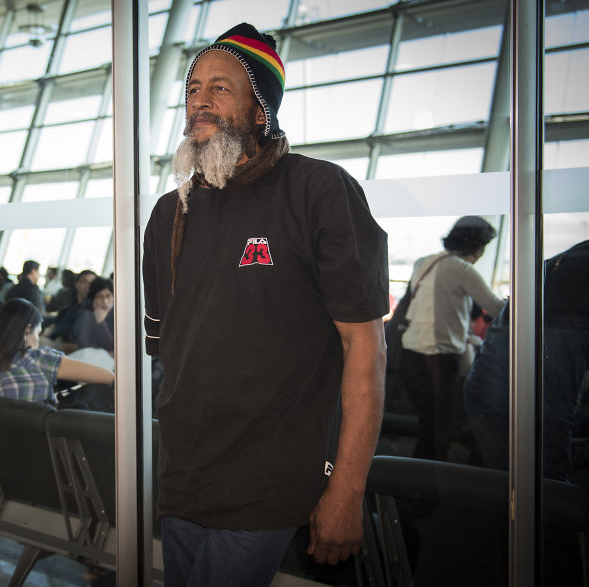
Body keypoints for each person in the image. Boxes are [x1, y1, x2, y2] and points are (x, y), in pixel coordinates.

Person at [141, 23, 389, 585]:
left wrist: (347, 491)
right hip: (182, 474)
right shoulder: (169, 214)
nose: (199, 100)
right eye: (193, 88)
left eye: (220, 88)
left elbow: (366, 349)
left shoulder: (318, 190)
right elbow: (168, 351)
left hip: (269, 476)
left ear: (260, 112)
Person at [465, 241, 589, 481]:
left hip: (490, 385)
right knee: (533, 477)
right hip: (510, 395)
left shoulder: (563, 265)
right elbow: (553, 408)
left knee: (500, 473)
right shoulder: (574, 278)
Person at [399, 216, 506, 461]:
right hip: (436, 358)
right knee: (438, 433)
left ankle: (418, 480)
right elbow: (495, 307)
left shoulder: (424, 262)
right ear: (477, 248)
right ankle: (428, 481)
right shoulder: (460, 269)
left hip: (411, 356)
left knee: (430, 428)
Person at [0, 298, 113, 406]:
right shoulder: (39, 359)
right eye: (37, 333)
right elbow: (108, 377)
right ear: (27, 330)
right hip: (45, 438)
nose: (38, 340)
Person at [73, 277, 114, 353]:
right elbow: (83, 344)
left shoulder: (118, 315)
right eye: (99, 297)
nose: (105, 301)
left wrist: (101, 322)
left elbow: (110, 345)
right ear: (92, 299)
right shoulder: (87, 313)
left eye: (108, 296)